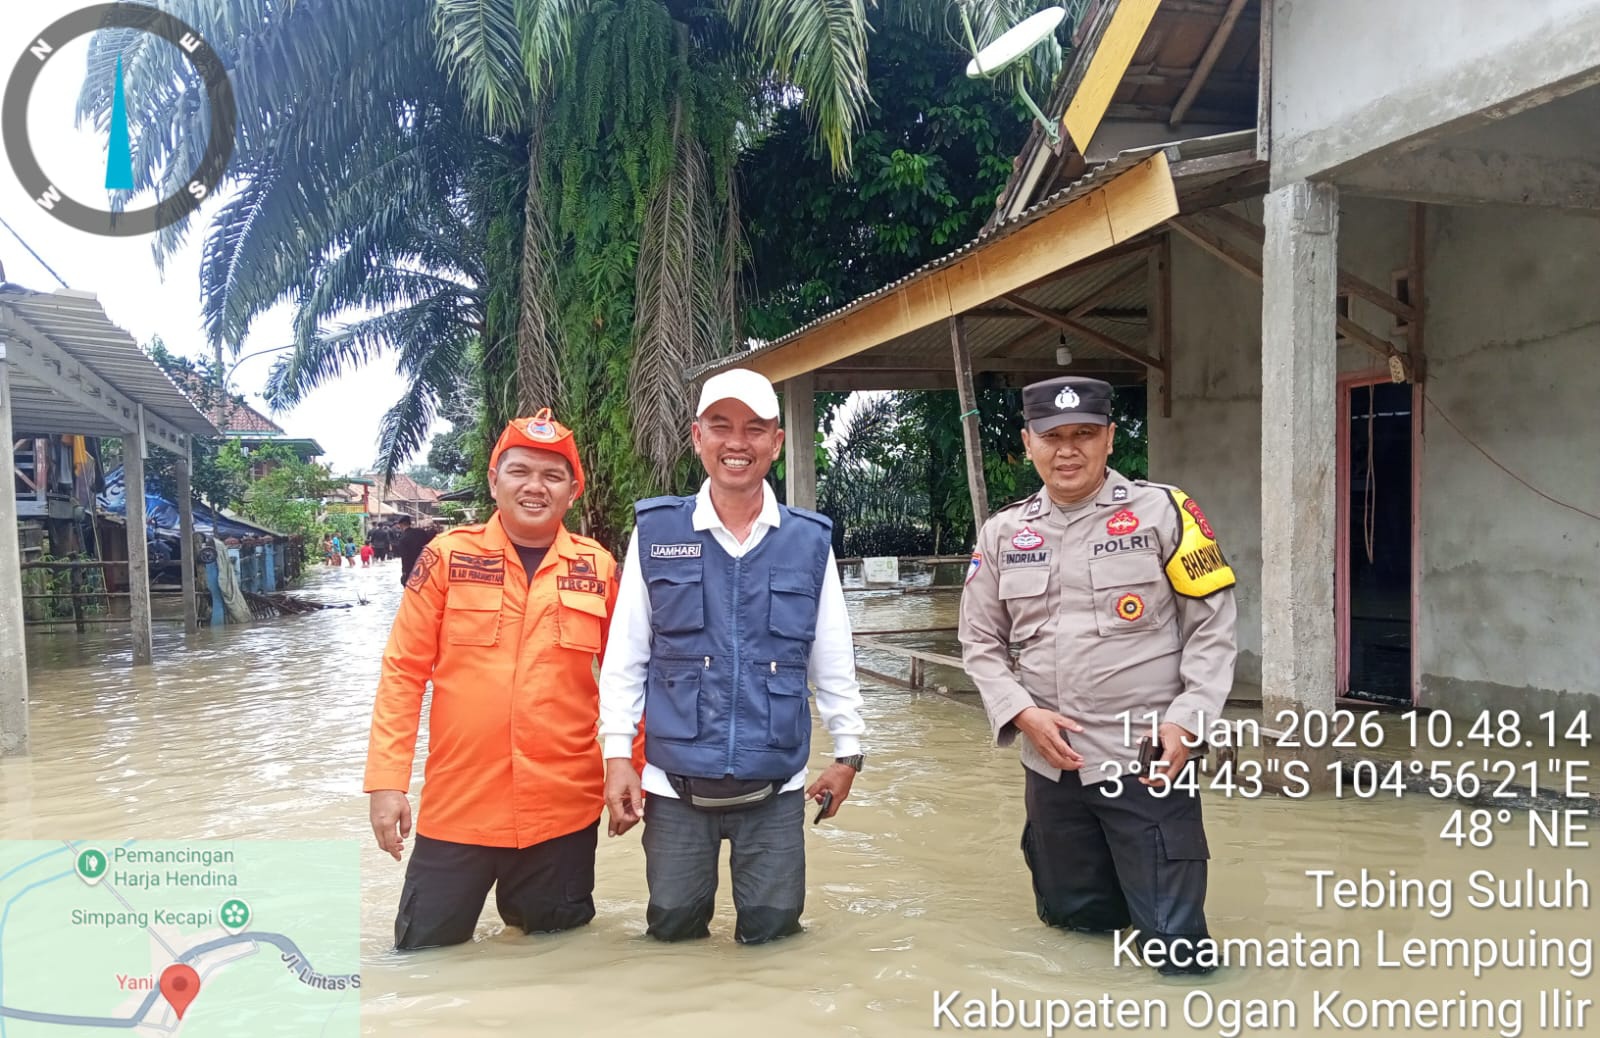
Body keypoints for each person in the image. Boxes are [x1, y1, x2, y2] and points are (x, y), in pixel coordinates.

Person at [957, 376, 1238, 977]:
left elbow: (1211, 627)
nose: (1068, 449)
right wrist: (1022, 714)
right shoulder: (1004, 532)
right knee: (1073, 929)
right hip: (1052, 771)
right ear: (1027, 443)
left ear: (1111, 438)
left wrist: (1189, 723)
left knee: (1176, 952)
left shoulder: (1166, 512)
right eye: (1052, 436)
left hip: (1146, 762)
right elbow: (979, 640)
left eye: (1084, 433)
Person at [599, 367, 867, 945]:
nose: (736, 443)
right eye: (721, 426)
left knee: (773, 938)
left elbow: (832, 658)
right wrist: (617, 755)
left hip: (776, 788)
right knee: (671, 931)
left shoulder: (809, 540)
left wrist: (849, 753)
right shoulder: (655, 530)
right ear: (697, 437)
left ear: (776, 441)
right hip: (673, 788)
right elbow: (627, 654)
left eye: (754, 428)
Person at [364, 409, 624, 950]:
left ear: (573, 490)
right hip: (459, 807)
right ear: (493, 480)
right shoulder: (446, 558)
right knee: (423, 956)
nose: (535, 487)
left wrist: (633, 768)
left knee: (560, 962)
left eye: (553, 476)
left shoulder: (597, 568)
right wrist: (387, 783)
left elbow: (631, 676)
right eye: (520, 471)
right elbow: (403, 673)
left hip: (563, 811)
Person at [394, 515, 435, 588]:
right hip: (425, 564)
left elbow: (405, 558)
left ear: (401, 525)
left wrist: (404, 573)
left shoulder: (403, 539)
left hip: (412, 568)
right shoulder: (420, 532)